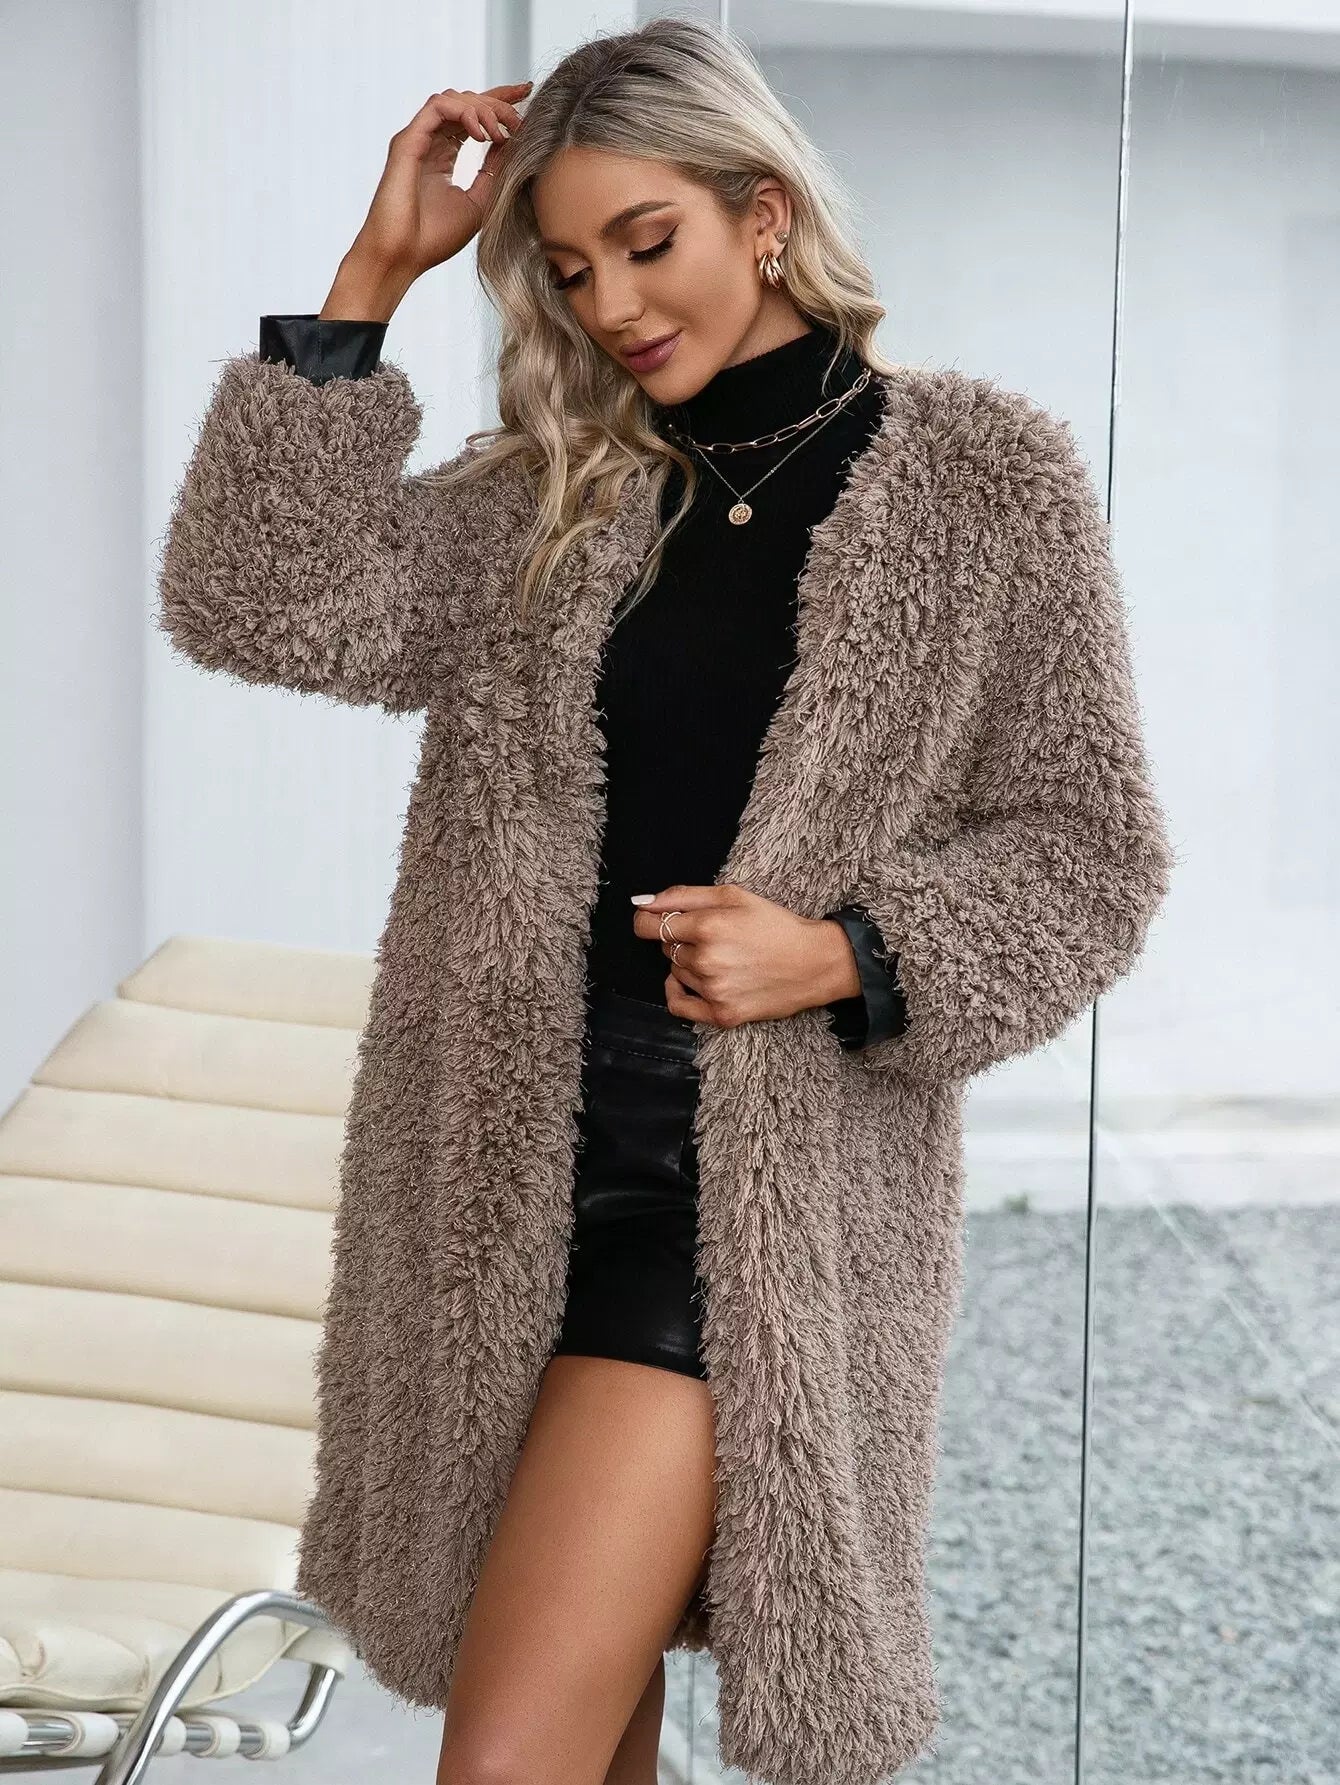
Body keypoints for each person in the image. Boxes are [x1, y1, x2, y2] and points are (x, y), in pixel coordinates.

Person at [155, 19, 1174, 1785]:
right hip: (503, 1168)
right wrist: (373, 274)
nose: (613, 305)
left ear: (762, 212)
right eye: (568, 270)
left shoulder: (980, 481)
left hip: (748, 1190)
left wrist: (848, 952)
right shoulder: (565, 487)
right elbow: (261, 597)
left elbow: (1091, 849)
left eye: (648, 242)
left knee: (506, 1762)